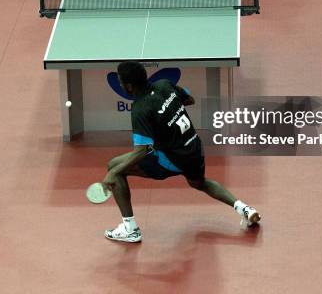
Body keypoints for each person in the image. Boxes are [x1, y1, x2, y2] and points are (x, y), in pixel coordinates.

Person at [101, 61, 260, 243]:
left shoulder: (140, 109)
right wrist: (168, 112)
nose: (120, 85)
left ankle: (130, 229)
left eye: (121, 82)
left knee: (114, 166)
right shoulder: (164, 84)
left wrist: (113, 173)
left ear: (128, 86)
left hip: (172, 159)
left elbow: (142, 151)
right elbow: (189, 100)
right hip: (194, 148)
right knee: (200, 183)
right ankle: (244, 209)